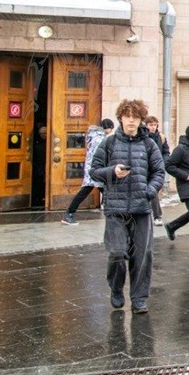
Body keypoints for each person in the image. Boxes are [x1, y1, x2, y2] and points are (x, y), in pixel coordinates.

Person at [90, 99, 165, 314]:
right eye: (127, 116)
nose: (131, 120)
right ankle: (116, 288)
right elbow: (94, 171)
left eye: (136, 117)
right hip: (116, 209)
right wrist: (112, 172)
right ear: (121, 118)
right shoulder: (110, 143)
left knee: (142, 256)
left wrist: (149, 191)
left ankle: (139, 298)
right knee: (116, 253)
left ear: (141, 120)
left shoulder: (149, 144)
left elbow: (159, 172)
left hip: (141, 209)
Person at [62, 118, 115, 225]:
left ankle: (70, 213)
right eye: (111, 128)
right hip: (96, 170)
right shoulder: (100, 139)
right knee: (106, 192)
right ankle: (69, 213)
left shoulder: (94, 136)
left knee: (103, 191)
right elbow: (101, 155)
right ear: (108, 128)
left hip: (92, 169)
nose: (111, 131)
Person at [144, 116, 170, 226]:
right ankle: (154, 215)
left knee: (153, 191)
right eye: (151, 125)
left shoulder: (161, 137)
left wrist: (163, 162)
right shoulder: (142, 137)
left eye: (155, 125)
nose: (153, 127)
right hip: (144, 168)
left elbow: (166, 152)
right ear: (146, 125)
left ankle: (156, 216)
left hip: (156, 169)